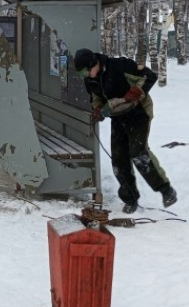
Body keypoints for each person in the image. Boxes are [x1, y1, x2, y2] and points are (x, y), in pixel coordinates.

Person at [73, 48, 178, 214]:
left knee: (138, 153)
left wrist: (136, 92)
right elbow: (96, 97)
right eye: (83, 73)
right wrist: (98, 108)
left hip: (139, 112)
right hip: (118, 116)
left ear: (95, 64)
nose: (86, 75)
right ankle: (130, 198)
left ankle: (166, 190)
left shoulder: (120, 66)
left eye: (87, 71)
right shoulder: (90, 80)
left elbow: (149, 76)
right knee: (118, 158)